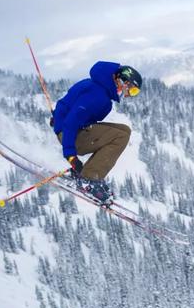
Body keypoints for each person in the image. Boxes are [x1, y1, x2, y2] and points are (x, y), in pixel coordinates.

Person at [51, 61, 142, 205]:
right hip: (70, 134)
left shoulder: (98, 87)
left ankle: (88, 174)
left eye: (134, 92)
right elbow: (72, 122)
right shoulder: (98, 95)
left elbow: (69, 104)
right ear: (123, 81)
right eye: (132, 90)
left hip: (69, 129)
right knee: (121, 136)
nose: (130, 94)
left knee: (125, 130)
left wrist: (57, 117)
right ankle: (89, 180)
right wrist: (71, 157)